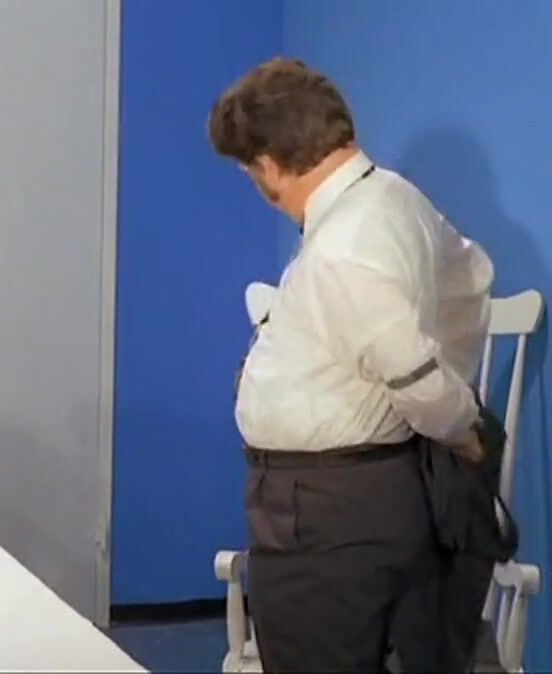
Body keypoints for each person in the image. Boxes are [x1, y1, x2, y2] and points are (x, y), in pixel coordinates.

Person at [209, 57, 494, 672]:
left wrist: (458, 426)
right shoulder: (397, 198)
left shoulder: (343, 248)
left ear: (268, 165)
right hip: (368, 496)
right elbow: (472, 279)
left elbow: (410, 368)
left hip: (325, 516)